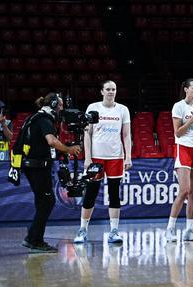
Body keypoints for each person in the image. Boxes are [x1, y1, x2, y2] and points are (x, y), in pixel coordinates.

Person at [16, 93, 81, 252]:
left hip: (32, 165)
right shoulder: (44, 119)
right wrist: (69, 149)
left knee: (42, 202)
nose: (61, 109)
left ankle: (32, 238)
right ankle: (35, 241)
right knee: (47, 202)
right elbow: (51, 141)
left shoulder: (36, 117)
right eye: (59, 106)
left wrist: (60, 151)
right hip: (38, 166)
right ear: (52, 105)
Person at [74, 80, 132, 245]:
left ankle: (114, 231)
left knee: (114, 194)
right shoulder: (93, 108)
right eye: (108, 89)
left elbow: (127, 135)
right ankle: (82, 229)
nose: (111, 92)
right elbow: (87, 134)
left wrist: (128, 156)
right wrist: (87, 157)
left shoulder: (123, 110)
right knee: (91, 193)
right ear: (101, 91)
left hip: (115, 157)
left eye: (113, 89)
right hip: (96, 158)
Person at [167, 78, 193, 242]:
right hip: (183, 147)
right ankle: (170, 228)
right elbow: (178, 132)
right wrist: (192, 119)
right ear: (185, 89)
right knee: (184, 190)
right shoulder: (178, 106)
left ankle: (189, 230)